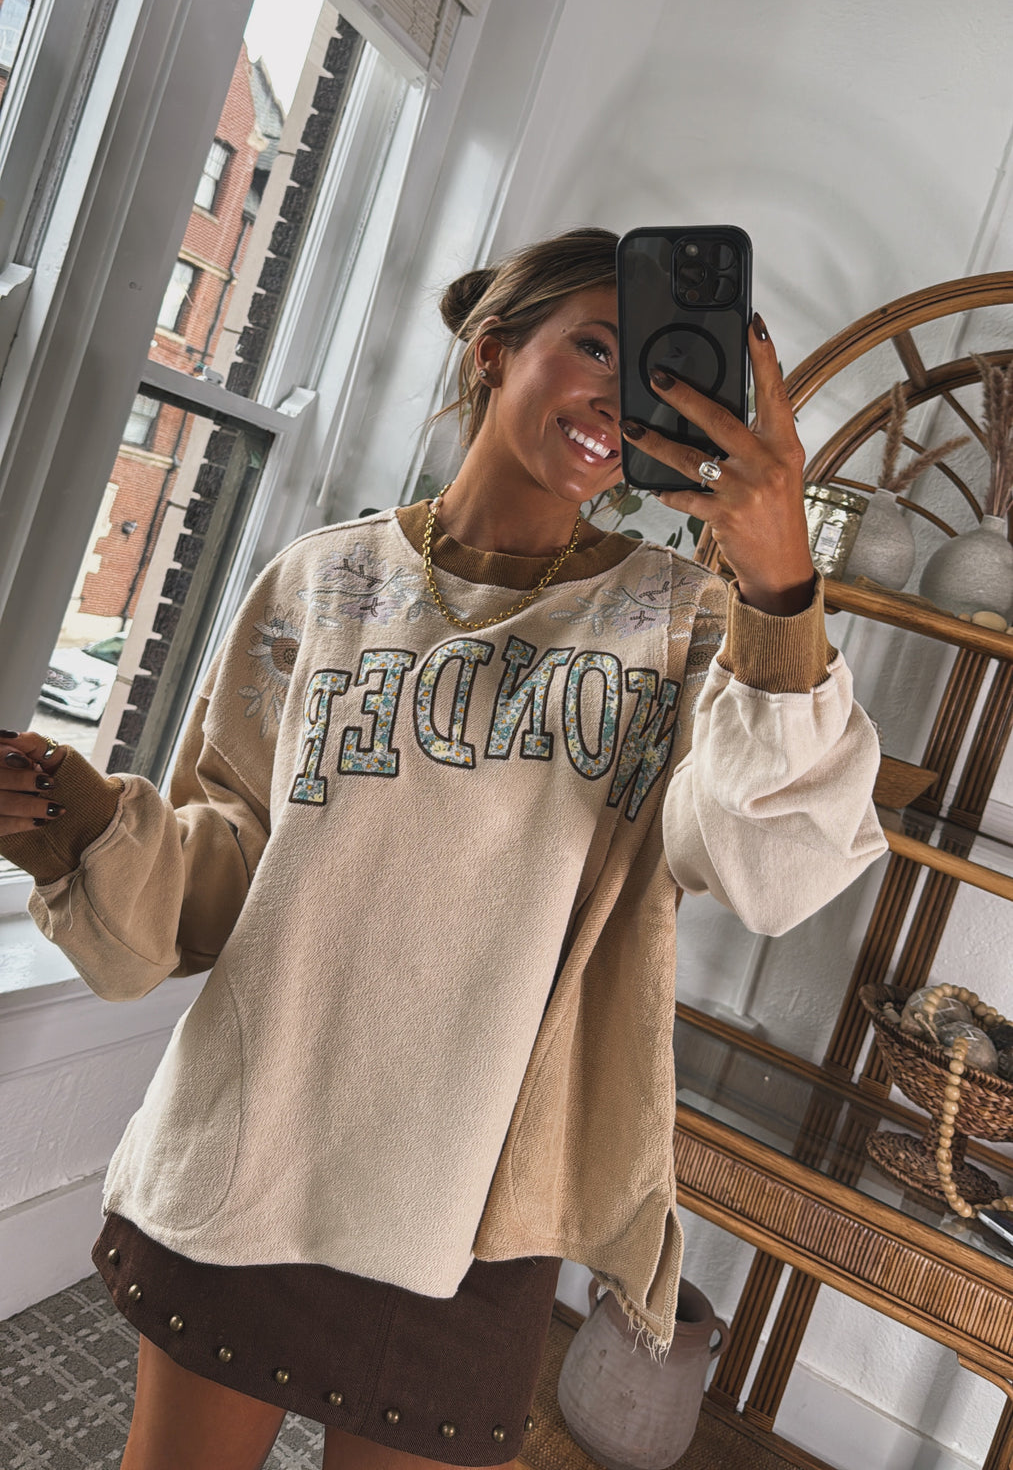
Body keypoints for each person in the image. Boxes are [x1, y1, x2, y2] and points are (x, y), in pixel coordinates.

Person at [0, 227, 885, 1470]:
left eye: (658, 372)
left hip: (470, 1204)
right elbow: (233, 871)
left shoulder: (683, 626)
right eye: (594, 347)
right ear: (492, 352)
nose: (621, 397)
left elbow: (768, 866)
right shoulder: (320, 583)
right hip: (255, 1143)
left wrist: (780, 594)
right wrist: (88, 825)